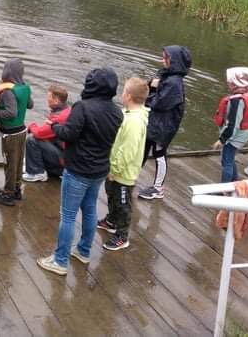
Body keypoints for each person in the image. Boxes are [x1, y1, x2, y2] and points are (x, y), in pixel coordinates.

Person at [36, 68, 123, 276]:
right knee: (90, 210)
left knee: (67, 216)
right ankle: (84, 251)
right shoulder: (117, 111)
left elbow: (68, 134)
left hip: (78, 170)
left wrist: (54, 126)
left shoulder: (82, 107)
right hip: (99, 170)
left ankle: (60, 261)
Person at [97, 78, 149, 251]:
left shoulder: (134, 122)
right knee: (111, 194)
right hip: (114, 168)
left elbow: (128, 150)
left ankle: (122, 236)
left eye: (124, 91)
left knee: (123, 203)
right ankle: (111, 221)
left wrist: (115, 169)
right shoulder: (127, 113)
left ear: (128, 96)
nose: (121, 93)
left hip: (123, 173)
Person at [138, 45, 192, 200]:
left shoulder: (174, 83)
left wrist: (145, 97)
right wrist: (151, 84)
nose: (162, 60)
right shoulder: (165, 75)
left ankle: (158, 188)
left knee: (159, 154)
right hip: (155, 122)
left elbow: (159, 103)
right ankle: (132, 176)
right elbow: (154, 92)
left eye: (165, 58)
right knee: (142, 149)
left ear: (173, 61)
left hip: (164, 127)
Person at [0, 59, 33, 206]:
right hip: (22, 131)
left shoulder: (8, 92)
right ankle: (16, 189)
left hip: (10, 135)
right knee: (18, 161)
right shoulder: (24, 88)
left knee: (9, 163)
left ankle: (8, 193)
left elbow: (11, 113)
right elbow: (30, 105)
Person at [213, 67, 248, 184]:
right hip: (244, 134)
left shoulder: (237, 101)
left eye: (231, 81)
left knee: (226, 162)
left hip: (234, 137)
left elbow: (233, 125)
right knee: (230, 158)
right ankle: (234, 181)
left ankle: (225, 189)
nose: (229, 83)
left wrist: (222, 140)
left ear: (238, 83)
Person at [23, 85, 71, 182]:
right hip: (66, 156)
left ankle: (37, 172)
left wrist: (31, 126)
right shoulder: (66, 110)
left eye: (49, 98)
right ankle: (35, 165)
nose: (47, 100)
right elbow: (46, 132)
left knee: (32, 139)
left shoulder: (60, 117)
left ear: (56, 101)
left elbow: (39, 133)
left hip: (63, 163)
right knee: (42, 138)